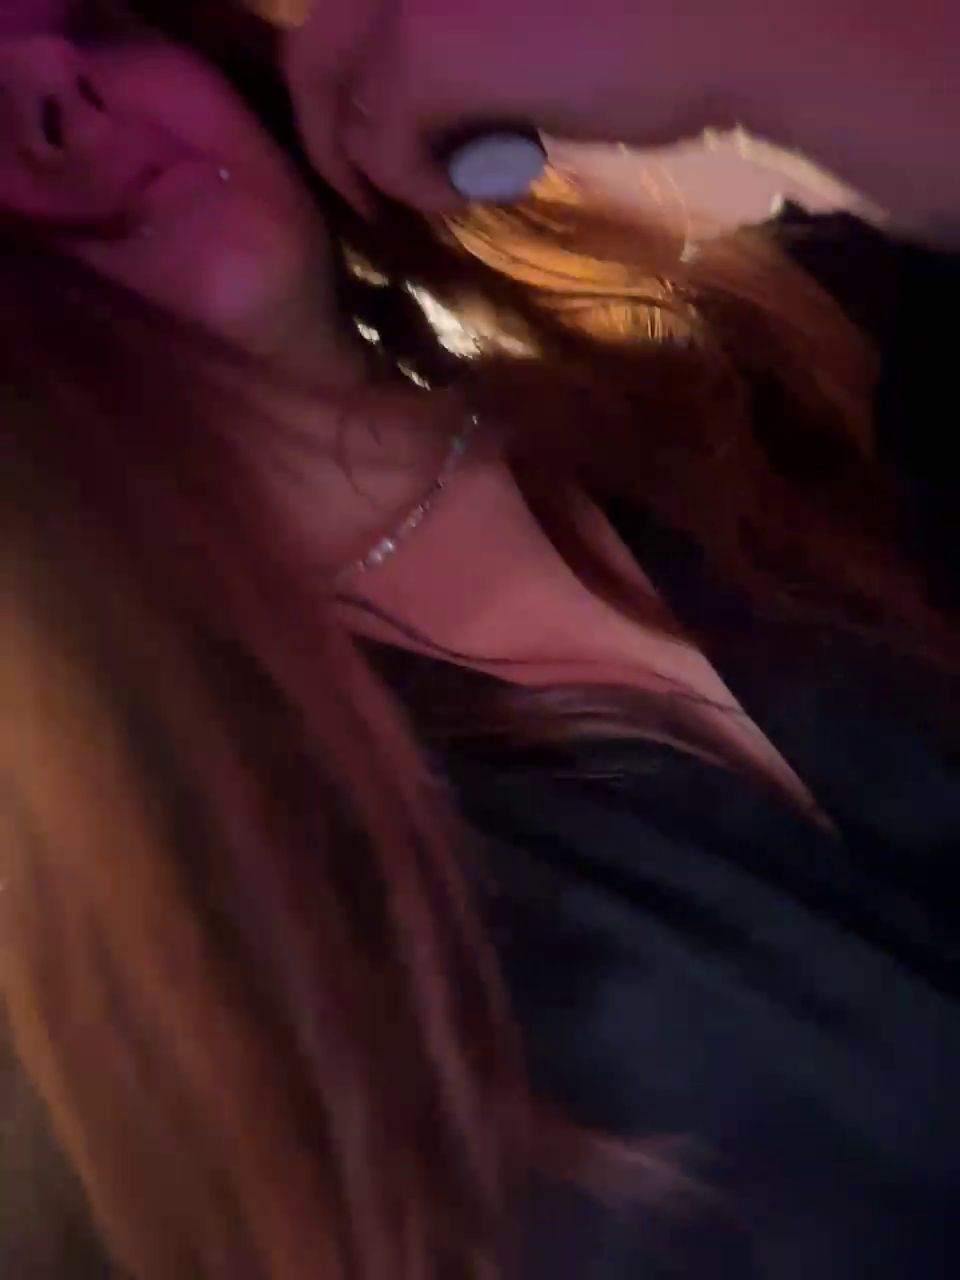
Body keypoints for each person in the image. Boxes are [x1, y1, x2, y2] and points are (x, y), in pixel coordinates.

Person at [0, 1, 957, 1277]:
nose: (55, 80)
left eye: (91, 18)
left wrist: (781, 45)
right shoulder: (85, 1009)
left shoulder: (805, 372)